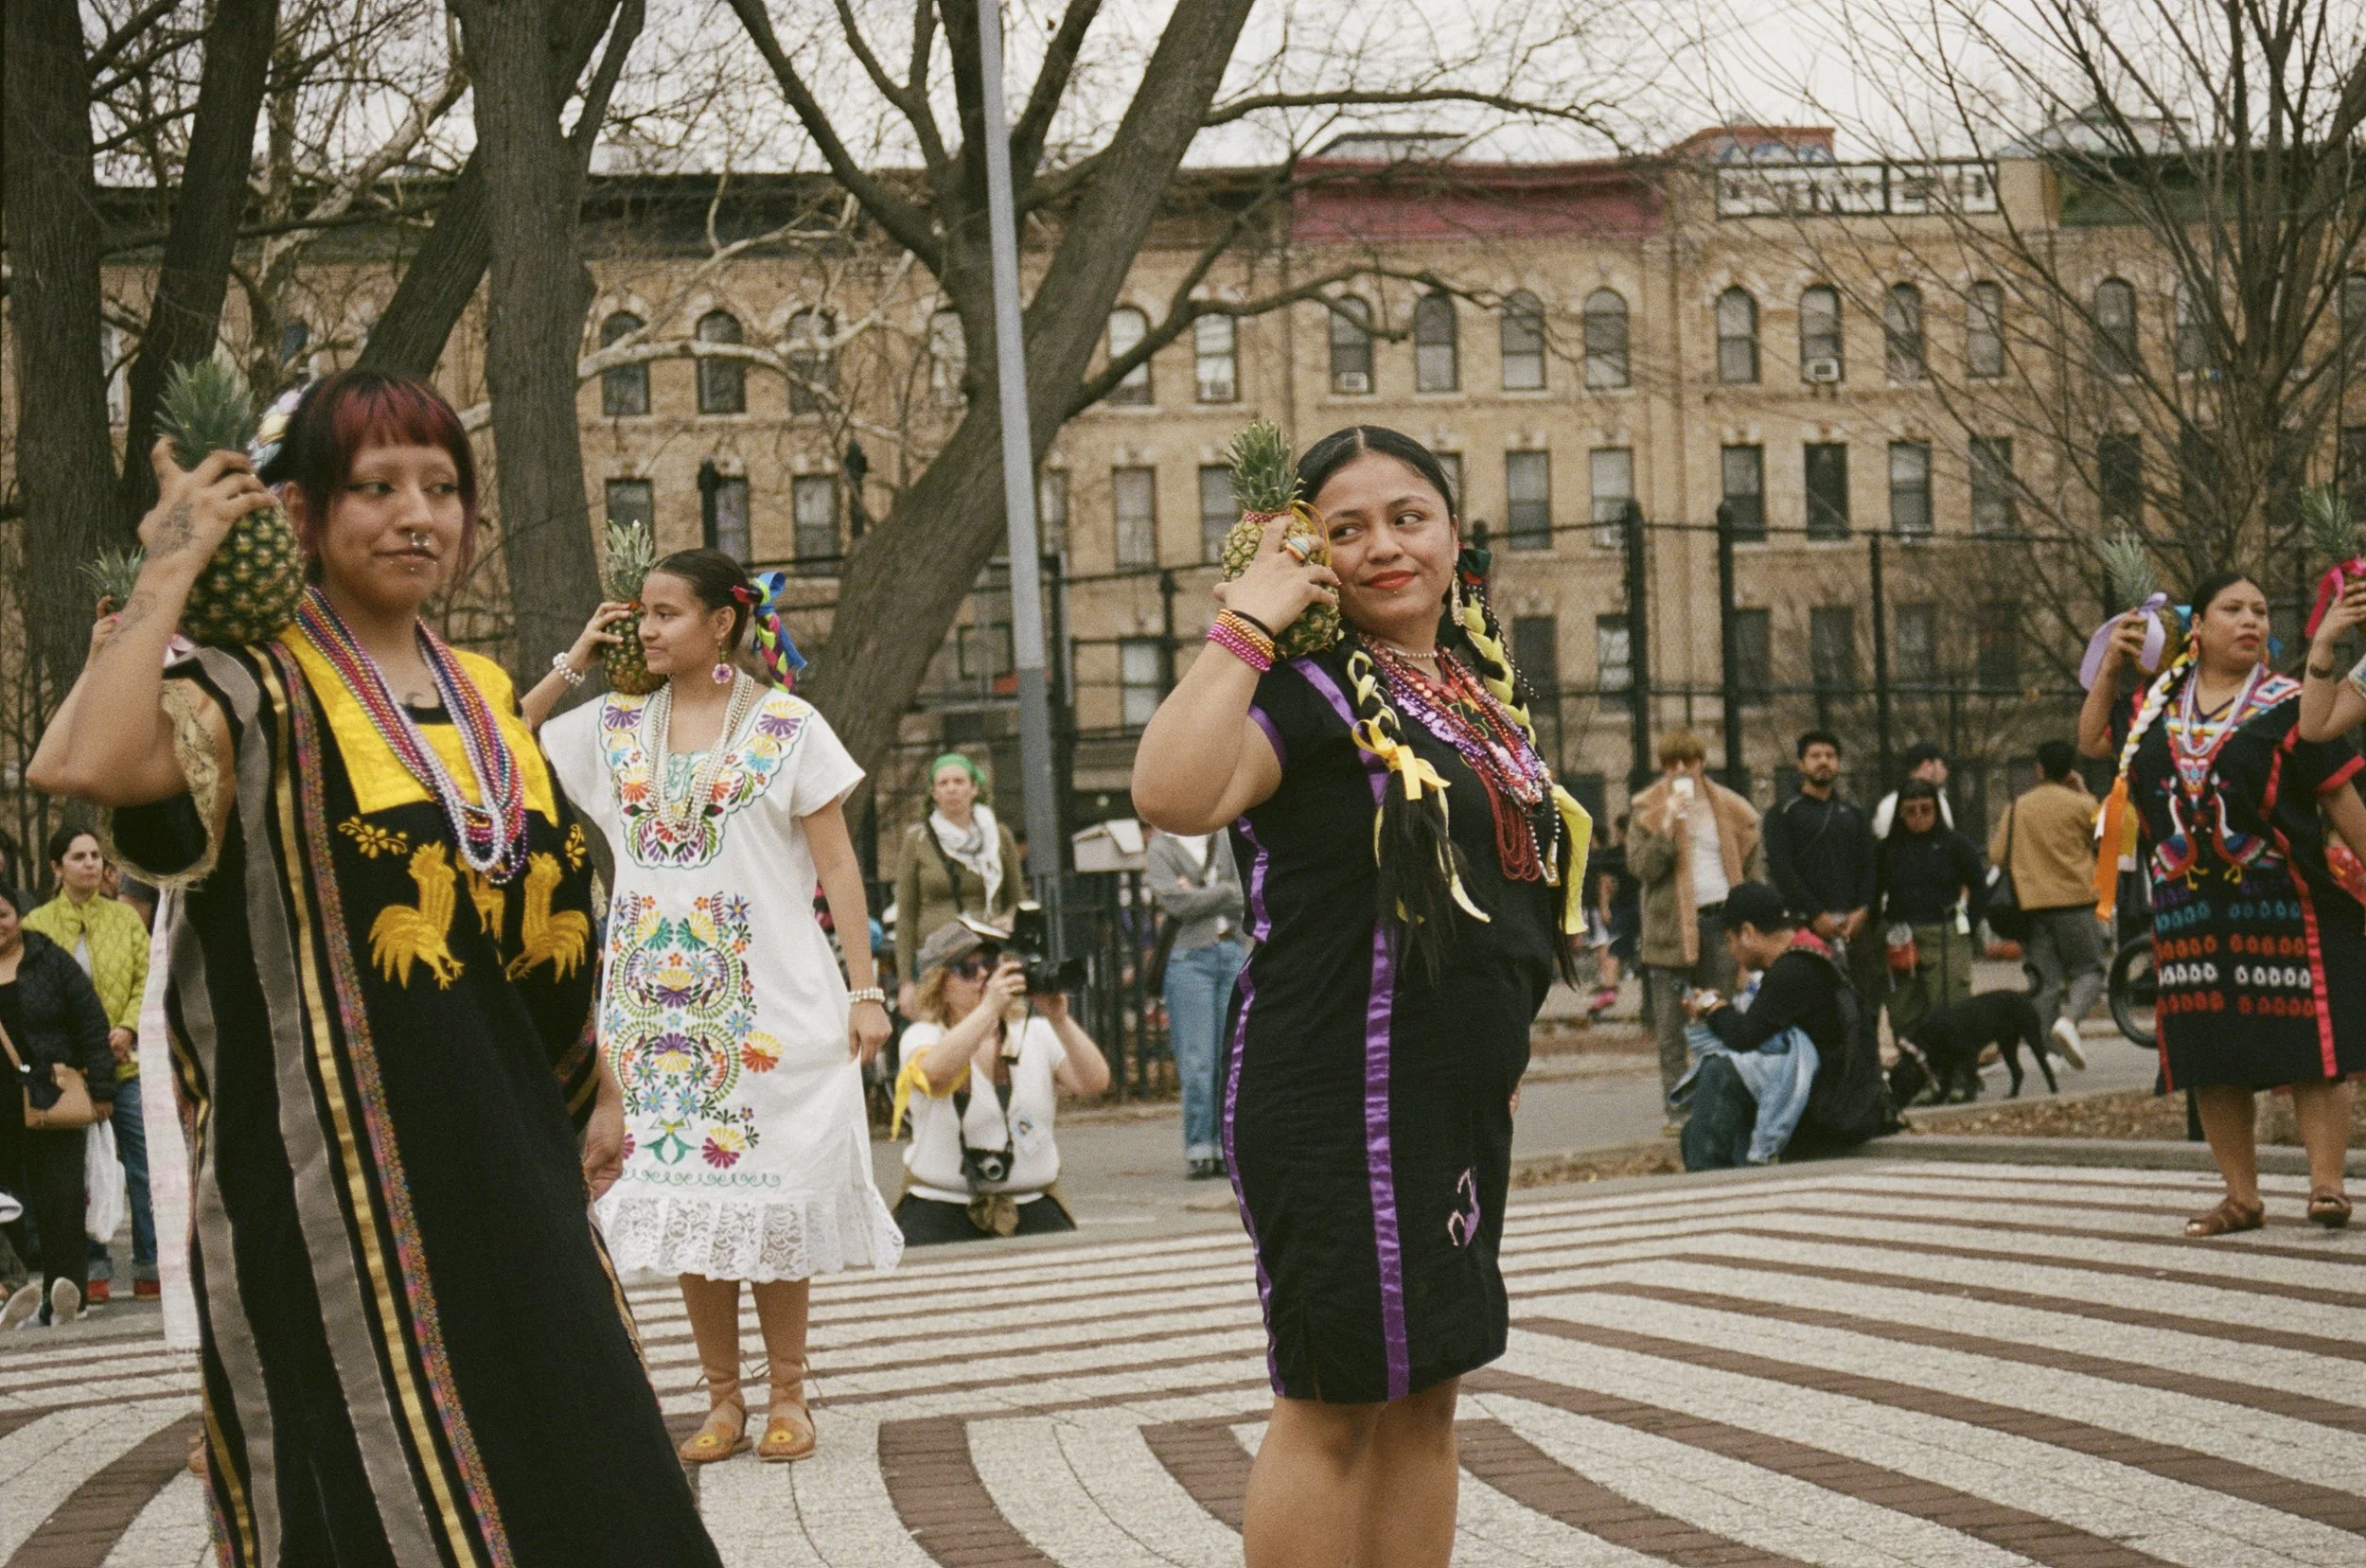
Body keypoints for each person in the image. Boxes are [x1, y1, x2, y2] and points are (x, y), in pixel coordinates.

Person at [26, 367, 722, 1562]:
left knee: (593, 1457)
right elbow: (75, 763)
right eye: (375, 486)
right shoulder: (246, 691)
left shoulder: (488, 693)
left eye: (443, 487)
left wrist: (595, 1073)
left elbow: (525, 916)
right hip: (334, 1180)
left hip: (508, 1151)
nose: (419, 515)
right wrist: (171, 566)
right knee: (387, 1483)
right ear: (298, 513)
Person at [1132, 425, 1588, 1568]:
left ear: (1451, 533)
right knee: (1334, 1400)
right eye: (1346, 529)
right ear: (1307, 552)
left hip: (1451, 1099)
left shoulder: (1476, 691)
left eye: (1408, 516)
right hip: (1337, 1093)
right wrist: (1249, 619)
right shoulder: (1307, 693)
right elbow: (1171, 791)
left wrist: (1504, 1055)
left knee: (1429, 1386)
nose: (1385, 545)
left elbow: (1503, 899)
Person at [537, 551, 900, 1467]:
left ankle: (787, 1392)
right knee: (691, 1195)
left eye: (665, 614)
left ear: (722, 623)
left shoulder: (785, 726)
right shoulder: (615, 724)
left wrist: (865, 992)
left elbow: (838, 864)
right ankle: (722, 1400)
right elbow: (505, 735)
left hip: (768, 1002)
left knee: (770, 1197)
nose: (647, 629)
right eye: (641, 615)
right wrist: (576, 657)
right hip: (651, 1014)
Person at [2085, 573, 2365, 1234]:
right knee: (2211, 1050)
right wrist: (2111, 668)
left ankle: (2326, 1186)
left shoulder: (2294, 703)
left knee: (2314, 1049)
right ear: (2198, 627)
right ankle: (2241, 1196)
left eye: (2262, 611)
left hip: (2286, 903)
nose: (2252, 621)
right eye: (2232, 609)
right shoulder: (2154, 707)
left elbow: (2342, 802)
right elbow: (2090, 737)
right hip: (2188, 911)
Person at [890, 920, 1111, 1242]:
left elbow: (1094, 1083)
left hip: (1032, 1202)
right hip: (940, 1205)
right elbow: (934, 1077)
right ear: (940, 986)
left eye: (990, 966)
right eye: (967, 970)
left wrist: (1059, 1019)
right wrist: (989, 1010)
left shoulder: (1034, 1033)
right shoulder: (924, 1036)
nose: (983, 977)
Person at [25, 828, 155, 1305]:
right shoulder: (36, 924)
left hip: (126, 1063)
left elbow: (147, 976)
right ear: (57, 867)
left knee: (143, 1166)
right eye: (78, 857)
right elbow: (36, 994)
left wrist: (127, 1028)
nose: (91, 864)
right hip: (71, 1072)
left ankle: (150, 1262)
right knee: (80, 1171)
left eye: (97, 856)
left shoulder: (124, 919)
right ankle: (94, 1263)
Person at [1629, 731, 1762, 1119]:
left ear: (1703, 762)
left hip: (1721, 925)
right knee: (1671, 1030)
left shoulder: (1734, 808)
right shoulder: (1647, 809)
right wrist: (1666, 826)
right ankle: (1680, 1113)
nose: (1682, 770)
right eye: (1672, 763)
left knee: (1722, 1020)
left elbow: (1753, 867)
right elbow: (1642, 869)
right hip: (1670, 933)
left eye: (1689, 761)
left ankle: (1723, 1108)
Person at [0, 879, 115, 1329]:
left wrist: (102, 1090)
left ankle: (66, 1294)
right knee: (3, 1202)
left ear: (19, 915)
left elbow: (90, 1021)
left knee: (60, 1199)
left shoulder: (50, 960)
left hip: (51, 1094)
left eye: (3, 914)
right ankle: (10, 1290)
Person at [1674, 882, 1850, 1170]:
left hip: (1825, 1103)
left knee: (1721, 1072)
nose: (1731, 952)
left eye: (1730, 940)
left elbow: (1743, 1037)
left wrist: (1714, 1008)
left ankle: (1704, 1188)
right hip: (1825, 1089)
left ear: (1748, 933)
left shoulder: (1792, 971)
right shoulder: (1810, 955)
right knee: (1692, 1132)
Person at [1990, 740, 2100, 1068]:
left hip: (2032, 905)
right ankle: (2069, 1020)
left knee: (2044, 982)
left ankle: (2050, 1056)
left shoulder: (2018, 807)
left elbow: (1997, 855)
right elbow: (2108, 839)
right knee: (2089, 970)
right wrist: (2084, 793)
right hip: (2075, 902)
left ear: (2039, 768)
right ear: (2070, 770)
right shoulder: (2081, 805)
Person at [1146, 826, 1245, 1178]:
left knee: (1230, 1059)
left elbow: (1246, 896)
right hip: (1189, 959)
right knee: (1198, 1061)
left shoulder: (1226, 840)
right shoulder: (1161, 847)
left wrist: (1201, 893)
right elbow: (1175, 903)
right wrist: (1223, 890)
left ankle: (1226, 1147)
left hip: (1231, 951)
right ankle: (1200, 1147)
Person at [1761, 731, 1881, 1013]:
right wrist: (1815, 913)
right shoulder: (1782, 814)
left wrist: (1863, 909)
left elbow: (1870, 865)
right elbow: (1782, 869)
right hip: (1805, 925)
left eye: (1830, 756)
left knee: (1864, 1008)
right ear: (1801, 764)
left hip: (1855, 928)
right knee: (1814, 1007)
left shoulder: (1854, 813)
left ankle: (1864, 1059)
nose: (1823, 762)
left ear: (1839, 763)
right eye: (1815, 756)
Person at [892, 752, 1021, 1004]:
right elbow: (906, 916)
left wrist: (1009, 916)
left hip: (987, 955)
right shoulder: (916, 840)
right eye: (944, 783)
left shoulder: (999, 836)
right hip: (937, 960)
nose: (952, 789)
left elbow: (1016, 899)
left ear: (974, 788)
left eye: (959, 782)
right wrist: (906, 980)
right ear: (934, 792)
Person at [1876, 779, 1986, 1039]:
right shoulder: (1887, 849)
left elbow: (1979, 884)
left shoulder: (1954, 844)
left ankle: (1958, 1075)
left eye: (1925, 809)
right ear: (1900, 814)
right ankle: (1915, 1073)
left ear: (1936, 811)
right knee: (1903, 1012)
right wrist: (1879, 928)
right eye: (1910, 811)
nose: (1918, 817)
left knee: (1951, 1008)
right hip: (1900, 934)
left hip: (1944, 931)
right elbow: (1872, 892)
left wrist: (1968, 923)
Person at [1588, 816, 1639, 1017]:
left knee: (1614, 950)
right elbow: (1605, 881)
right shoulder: (1617, 854)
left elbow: (1604, 882)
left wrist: (1604, 907)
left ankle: (1609, 988)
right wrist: (1605, 907)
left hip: (1629, 907)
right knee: (1614, 948)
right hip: (1627, 906)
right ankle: (1609, 990)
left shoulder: (1633, 852)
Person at [1872, 740, 1954, 838]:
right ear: (1927, 765)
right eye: (1942, 765)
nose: (1946, 772)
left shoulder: (1888, 803)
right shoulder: (1936, 801)